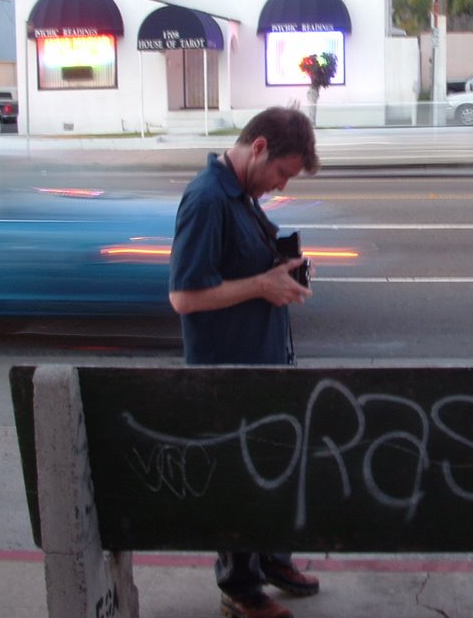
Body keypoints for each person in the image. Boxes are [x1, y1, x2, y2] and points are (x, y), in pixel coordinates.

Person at [169, 106, 321, 618]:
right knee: (241, 476)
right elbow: (185, 297)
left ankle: (274, 559)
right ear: (258, 148)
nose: (279, 186)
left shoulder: (241, 195)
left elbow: (243, 263)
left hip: (263, 363)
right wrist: (262, 284)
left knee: (275, 464)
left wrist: (281, 269)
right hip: (227, 372)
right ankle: (240, 587)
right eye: (281, 173)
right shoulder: (207, 200)